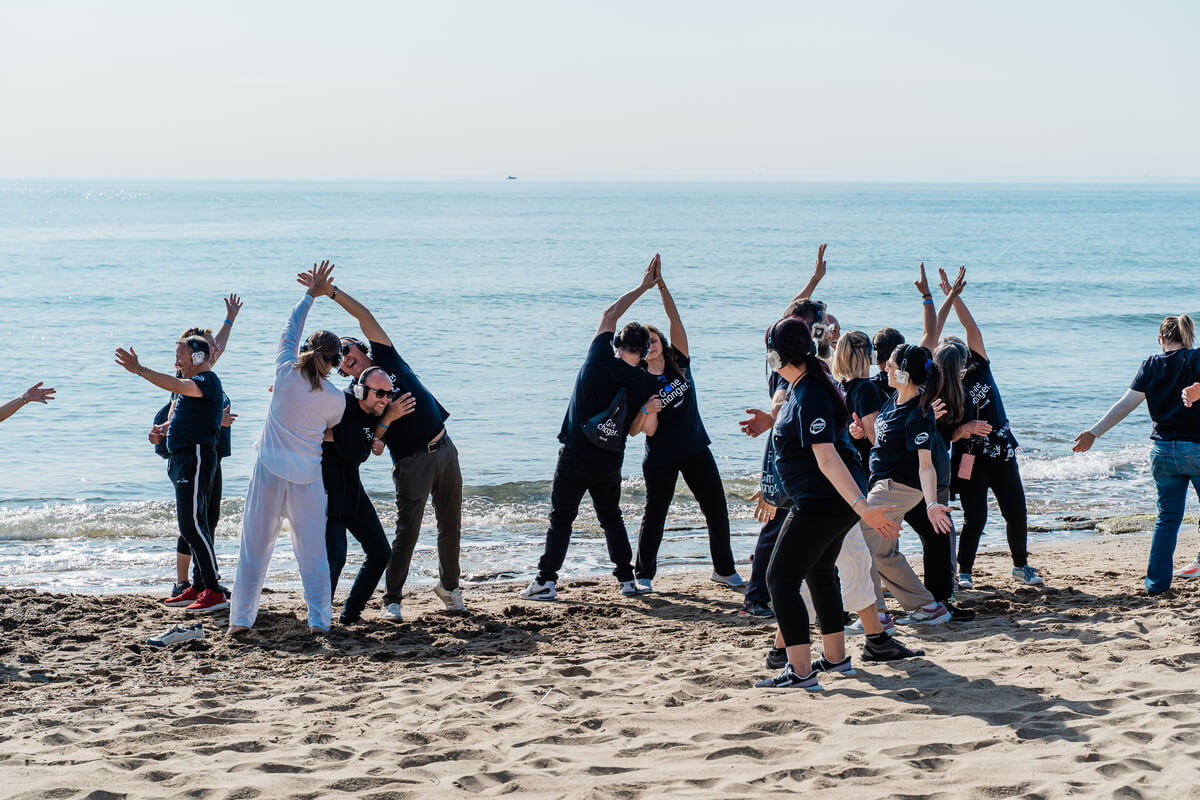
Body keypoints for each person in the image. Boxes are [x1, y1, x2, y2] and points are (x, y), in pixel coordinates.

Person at [298, 275, 464, 622]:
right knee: (407, 532)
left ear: (362, 349)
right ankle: (392, 600)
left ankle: (450, 588)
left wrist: (331, 292)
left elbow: (366, 317)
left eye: (347, 350)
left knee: (451, 525)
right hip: (411, 462)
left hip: (446, 448)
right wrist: (386, 417)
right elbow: (369, 446)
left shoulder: (388, 361)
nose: (344, 358)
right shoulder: (360, 400)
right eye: (338, 359)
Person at [754, 317, 903, 691]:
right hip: (824, 501)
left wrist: (861, 505)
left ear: (776, 356)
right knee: (819, 573)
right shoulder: (803, 387)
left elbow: (828, 457)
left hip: (821, 501)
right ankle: (836, 661)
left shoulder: (812, 392)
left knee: (779, 579)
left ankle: (801, 672)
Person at [520, 256, 665, 601]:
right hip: (610, 459)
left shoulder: (598, 358)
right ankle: (627, 581)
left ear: (616, 343)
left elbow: (609, 313)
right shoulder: (642, 381)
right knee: (611, 517)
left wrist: (644, 286)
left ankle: (545, 581)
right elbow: (636, 426)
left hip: (575, 454)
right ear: (643, 351)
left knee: (561, 519)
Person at [228, 261, 346, 635]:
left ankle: (239, 622)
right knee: (312, 555)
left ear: (308, 351)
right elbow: (328, 431)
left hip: (268, 471)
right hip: (306, 480)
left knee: (254, 550)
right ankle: (319, 622)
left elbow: (289, 329)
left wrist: (308, 295)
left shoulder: (283, 371)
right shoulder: (335, 399)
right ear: (333, 362)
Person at [633, 259, 742, 593]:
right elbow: (640, 429)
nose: (650, 344)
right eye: (644, 342)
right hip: (662, 455)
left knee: (716, 508)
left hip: (695, 447)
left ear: (662, 342)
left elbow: (674, 319)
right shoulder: (637, 380)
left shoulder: (679, 360)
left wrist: (660, 285)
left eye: (653, 339)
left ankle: (724, 570)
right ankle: (643, 574)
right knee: (656, 514)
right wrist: (649, 408)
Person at [1074, 314, 1200, 595]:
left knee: (1167, 519)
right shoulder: (1195, 359)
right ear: (1187, 336)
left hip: (1162, 453)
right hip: (1196, 449)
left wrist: (1093, 432)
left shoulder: (1151, 364)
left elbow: (1125, 405)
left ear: (1162, 339)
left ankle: (1156, 585)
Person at [936, 267, 1043, 589]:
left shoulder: (980, 367)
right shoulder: (942, 389)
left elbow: (972, 327)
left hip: (1002, 450)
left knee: (1016, 513)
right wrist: (963, 428)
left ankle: (1020, 566)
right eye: (958, 358)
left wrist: (952, 296)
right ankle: (964, 571)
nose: (964, 359)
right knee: (976, 518)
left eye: (964, 354)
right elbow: (944, 437)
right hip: (970, 458)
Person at [115, 332, 228, 613]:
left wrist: (139, 370)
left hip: (197, 456)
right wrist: (160, 434)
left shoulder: (207, 380)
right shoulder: (186, 389)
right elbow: (177, 416)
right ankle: (198, 586)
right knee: (191, 523)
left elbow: (177, 383)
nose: (176, 360)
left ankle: (213, 590)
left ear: (198, 357)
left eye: (180, 355)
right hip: (181, 458)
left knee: (192, 524)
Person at [150, 295, 242, 602]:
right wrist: (162, 431)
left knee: (203, 520)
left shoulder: (206, 373)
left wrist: (229, 319)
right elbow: (177, 410)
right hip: (192, 453)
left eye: (214, 345)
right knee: (192, 522)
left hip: (207, 454)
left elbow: (218, 347)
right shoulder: (190, 376)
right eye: (209, 344)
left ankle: (206, 584)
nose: (215, 348)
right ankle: (190, 582)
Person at [323, 367, 414, 624]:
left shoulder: (377, 411)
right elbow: (316, 430)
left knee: (380, 553)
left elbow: (363, 444)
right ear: (361, 390)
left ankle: (350, 615)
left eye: (389, 394)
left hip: (352, 488)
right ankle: (320, 616)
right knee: (336, 558)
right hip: (327, 491)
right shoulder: (341, 404)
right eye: (380, 393)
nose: (385, 399)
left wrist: (378, 437)